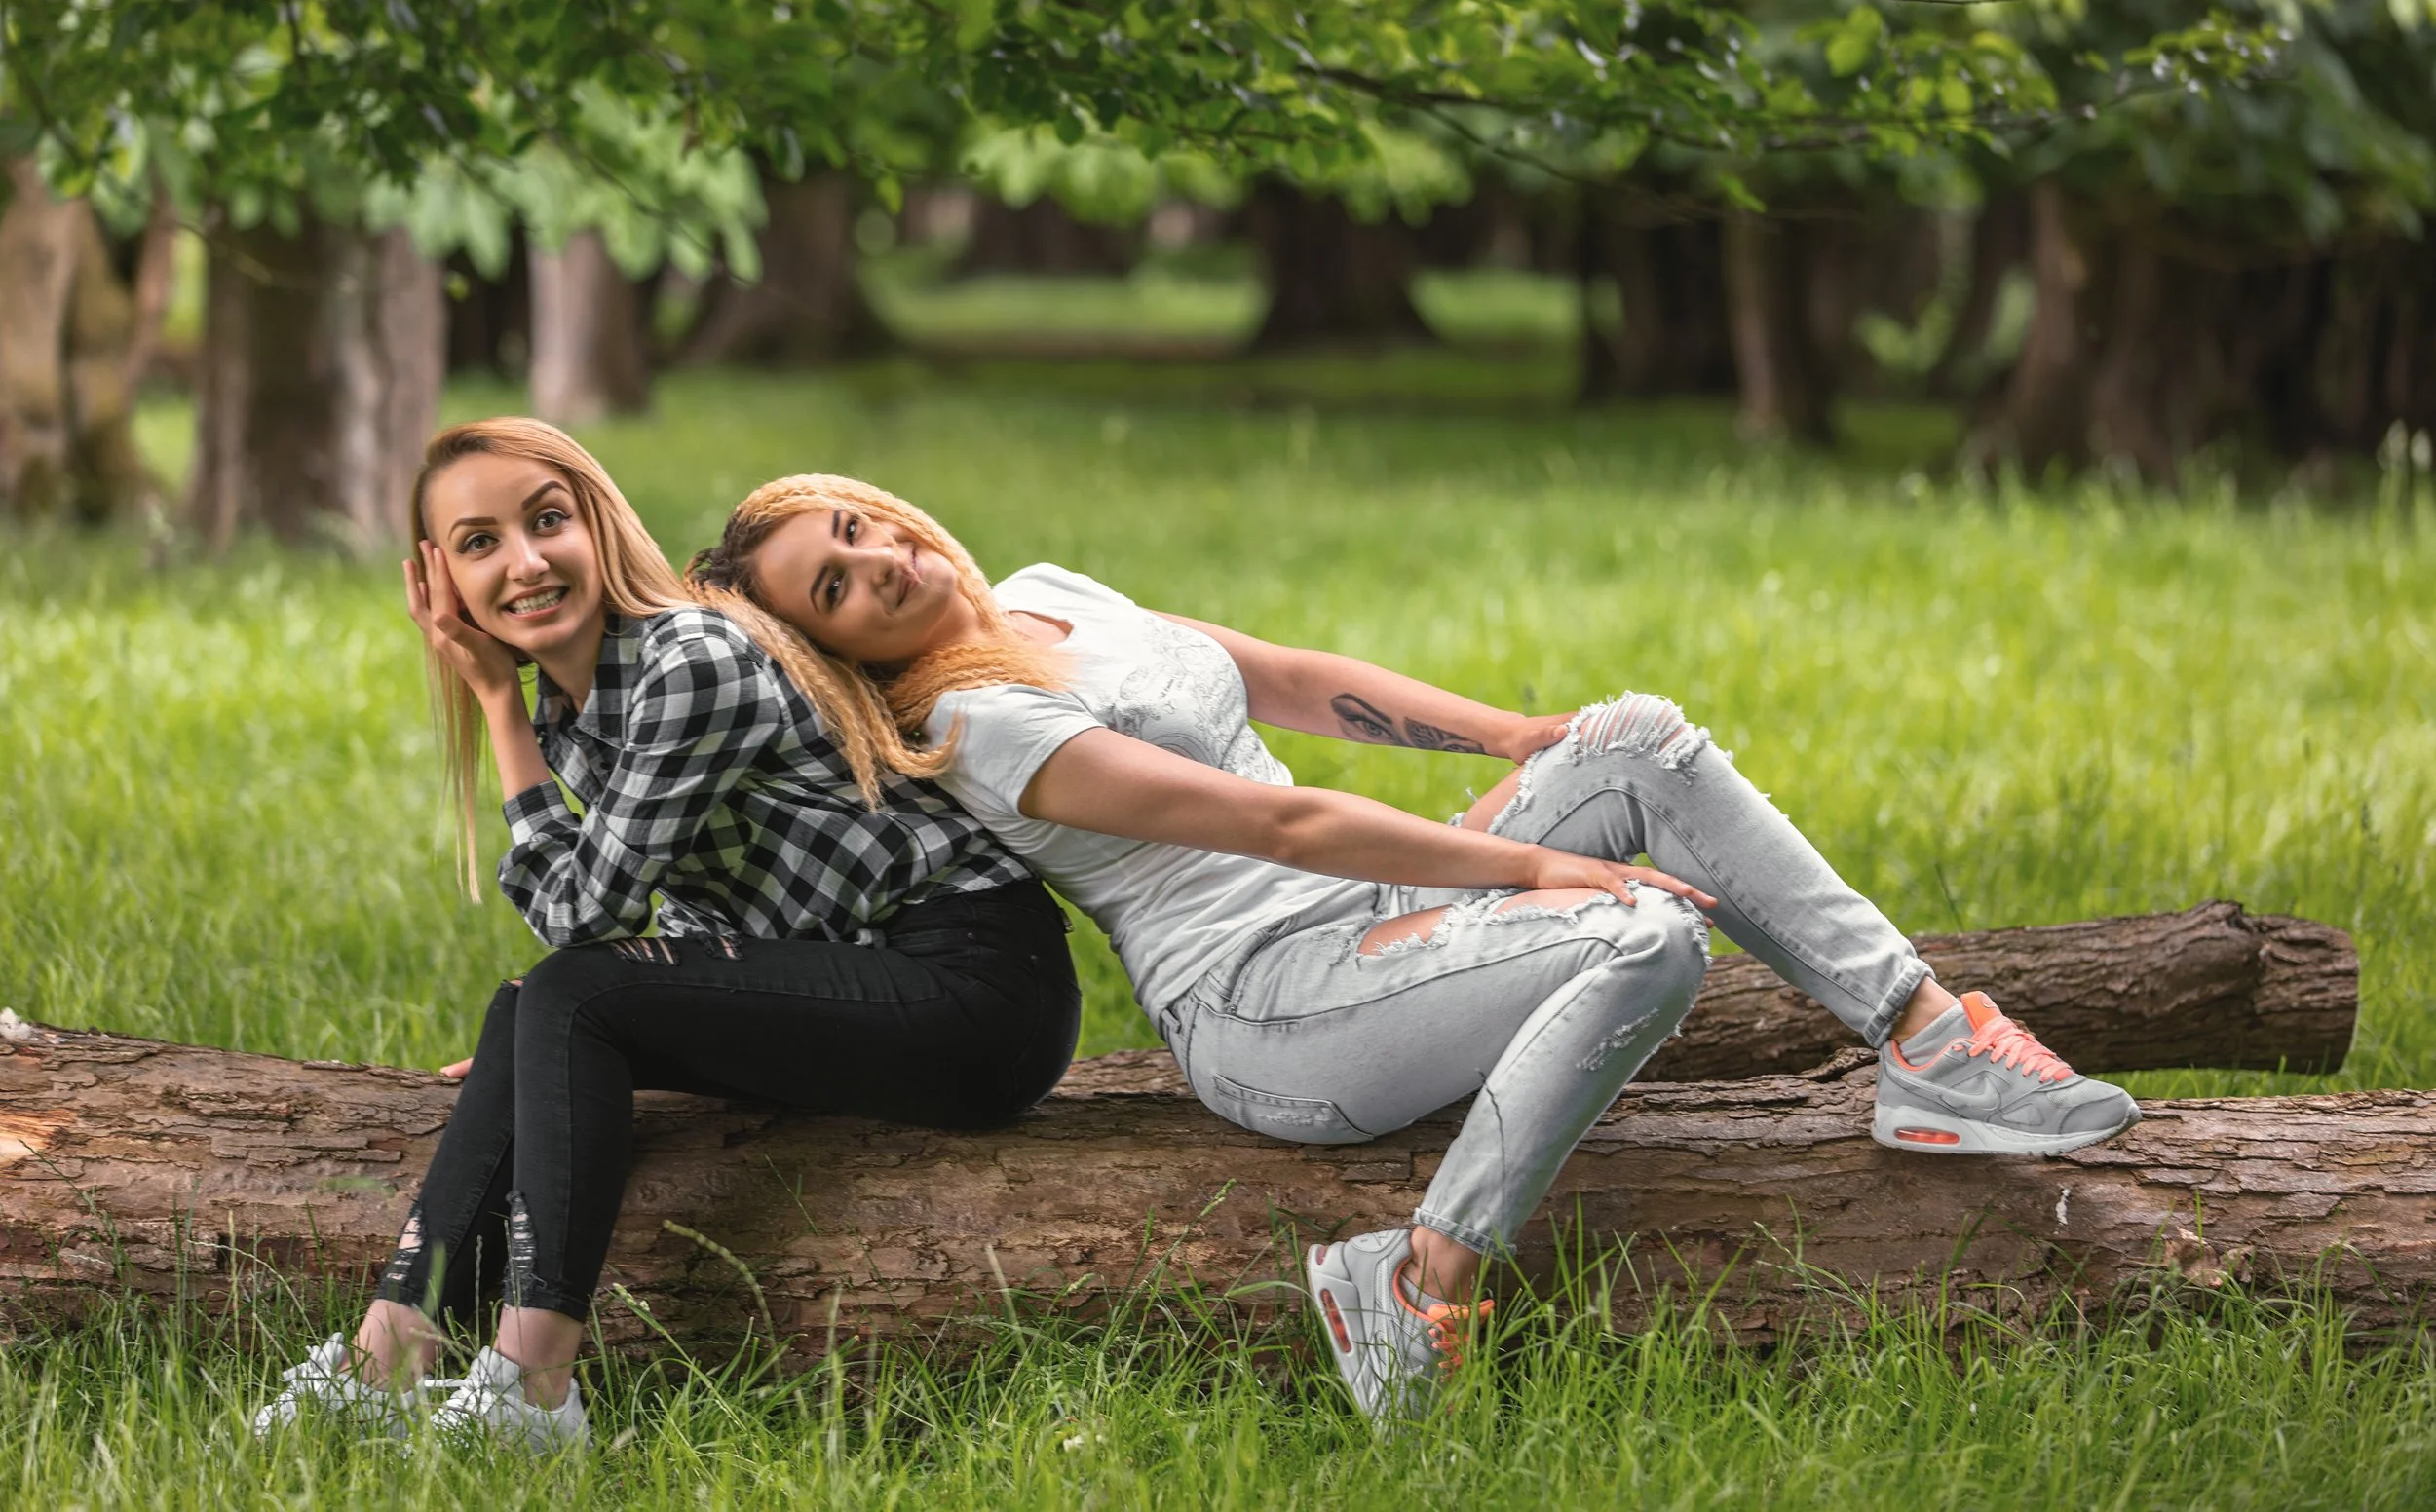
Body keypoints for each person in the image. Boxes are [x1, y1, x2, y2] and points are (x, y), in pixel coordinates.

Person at [683, 472, 2141, 1423]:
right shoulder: (975, 727)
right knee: (1635, 936)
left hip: (1368, 920)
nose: (878, 560)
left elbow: (1293, 680)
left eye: (857, 527)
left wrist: (1521, 741)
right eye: (834, 586)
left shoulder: (1055, 592)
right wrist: (1537, 864)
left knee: (1632, 738)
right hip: (1268, 1006)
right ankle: (1418, 1281)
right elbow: (1289, 829)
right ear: (838, 655)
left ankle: (1930, 1038)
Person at [250, 422, 1080, 1453]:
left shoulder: (690, 659)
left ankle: (533, 1384)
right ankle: (386, 1356)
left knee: (567, 989)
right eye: (478, 542)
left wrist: (495, 711)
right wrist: (545, 1060)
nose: (524, 560)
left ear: (597, 524)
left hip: (975, 989)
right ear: (442, 581)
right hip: (878, 972)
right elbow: (692, 910)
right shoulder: (578, 704)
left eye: (547, 519)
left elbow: (584, 918)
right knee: (534, 1008)